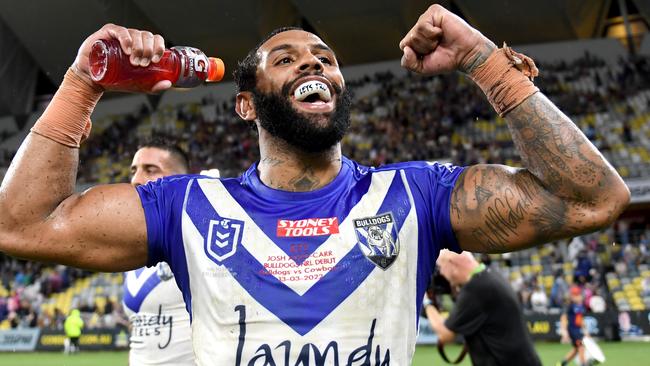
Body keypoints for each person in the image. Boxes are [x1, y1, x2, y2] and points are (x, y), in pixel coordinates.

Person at [0, 4, 630, 365]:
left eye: (326, 58)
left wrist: (485, 61)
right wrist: (85, 82)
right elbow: (21, 223)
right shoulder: (189, 205)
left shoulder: (415, 196)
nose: (314, 62)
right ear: (246, 105)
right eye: (287, 58)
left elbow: (595, 199)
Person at [122, 139, 195, 366]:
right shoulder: (131, 251)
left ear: (181, 180)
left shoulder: (200, 239)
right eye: (134, 171)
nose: (136, 180)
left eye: (150, 170)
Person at [423, 250, 542, 365]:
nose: (442, 274)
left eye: (441, 268)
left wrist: (427, 302)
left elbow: (445, 334)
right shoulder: (490, 275)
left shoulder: (475, 289)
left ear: (452, 263)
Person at [558, 286, 589, 366]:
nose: (578, 296)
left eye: (578, 294)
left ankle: (560, 364)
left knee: (576, 350)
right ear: (571, 296)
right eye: (575, 295)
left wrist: (585, 331)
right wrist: (564, 332)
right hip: (572, 330)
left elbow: (580, 319)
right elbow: (563, 318)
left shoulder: (580, 306)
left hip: (578, 330)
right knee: (581, 347)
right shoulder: (569, 306)